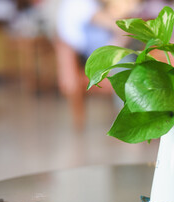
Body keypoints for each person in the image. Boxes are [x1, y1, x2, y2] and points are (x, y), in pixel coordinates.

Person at [55, 0, 141, 130]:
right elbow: (115, 25)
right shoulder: (79, 4)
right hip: (91, 57)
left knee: (133, 61)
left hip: (101, 51)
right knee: (127, 66)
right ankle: (131, 120)